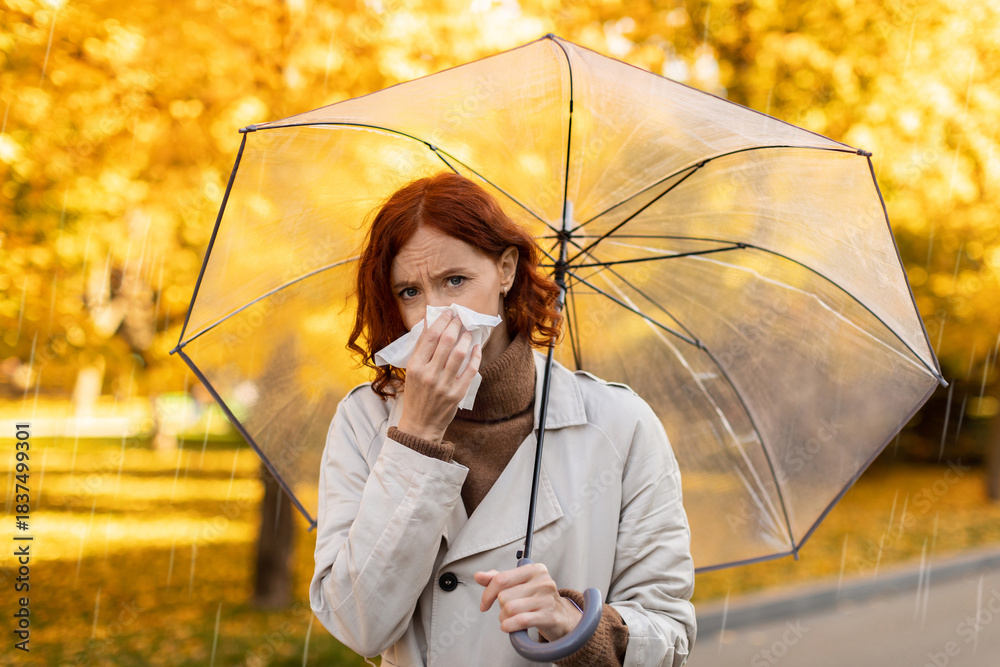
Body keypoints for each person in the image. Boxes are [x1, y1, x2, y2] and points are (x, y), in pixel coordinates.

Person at [309, 172, 696, 666]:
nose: (436, 314)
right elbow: (356, 625)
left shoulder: (620, 426)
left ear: (506, 270)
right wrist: (418, 435)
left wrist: (574, 625)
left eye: (455, 281)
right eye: (410, 292)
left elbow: (671, 635)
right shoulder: (364, 422)